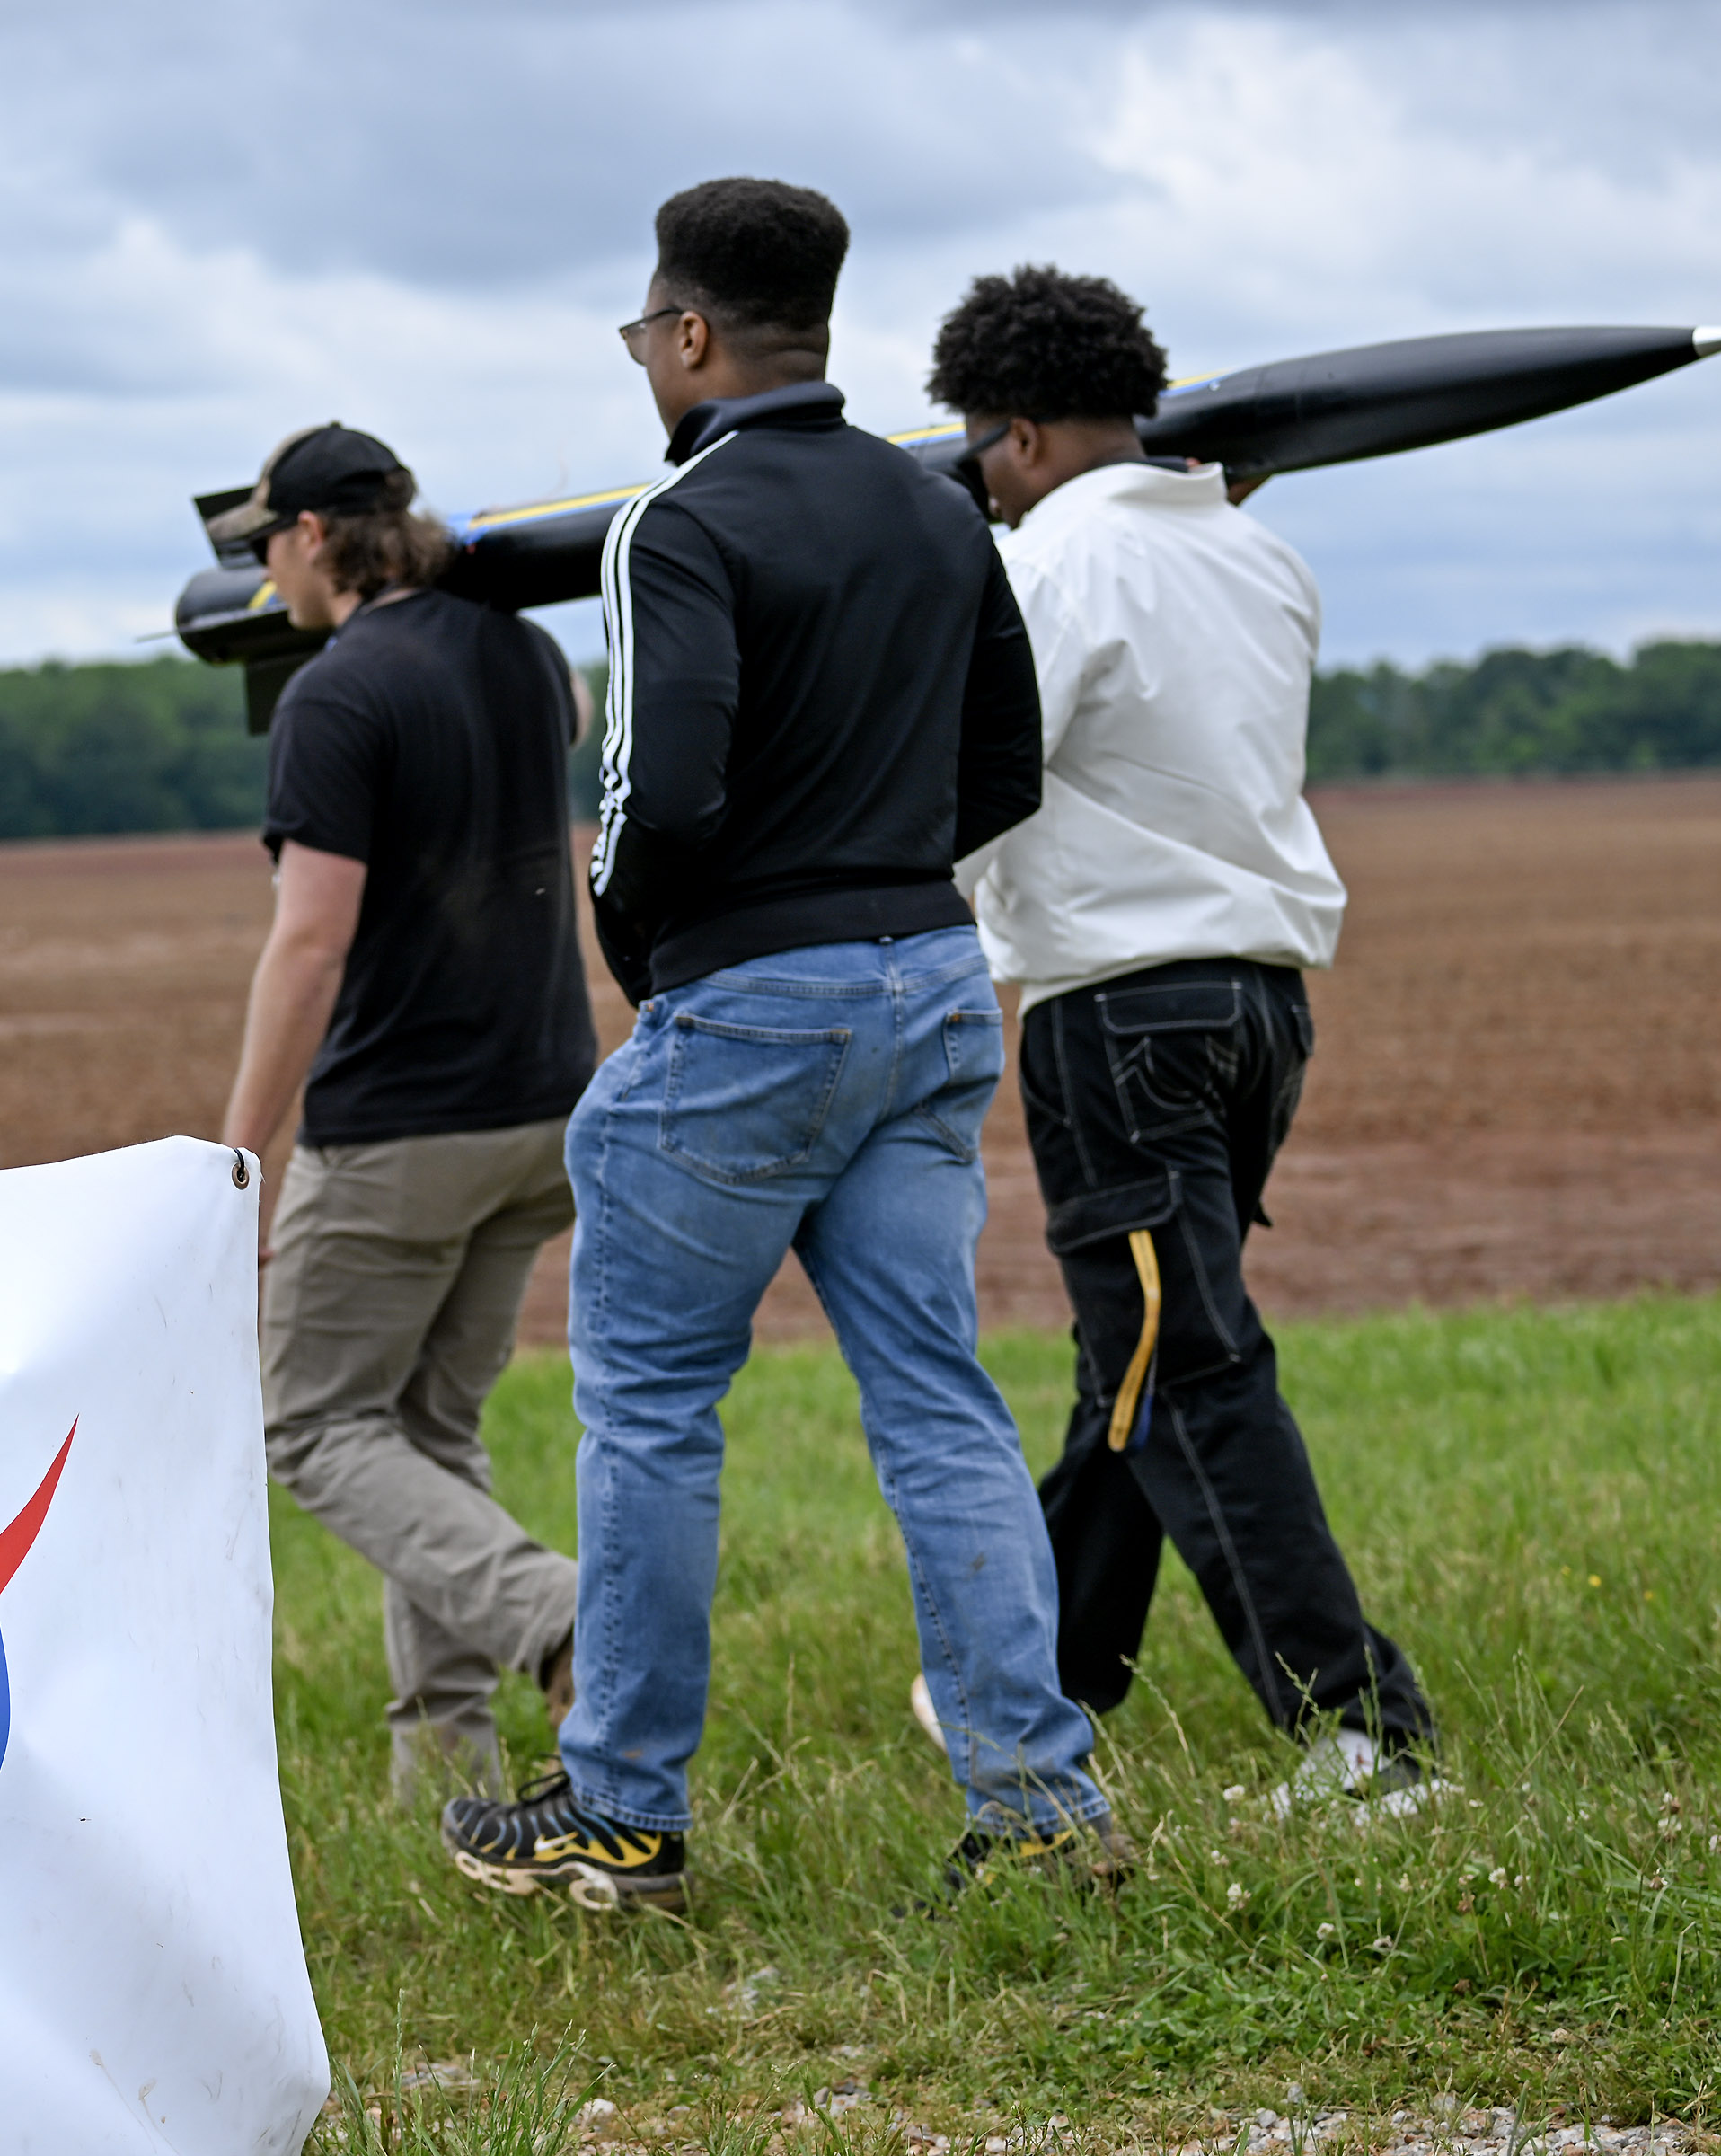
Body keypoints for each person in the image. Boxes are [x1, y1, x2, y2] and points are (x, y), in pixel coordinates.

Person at [437, 179, 1125, 1916]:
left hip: (749, 1001)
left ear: (688, 334)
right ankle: (1042, 1810)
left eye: (641, 334)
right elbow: (1006, 768)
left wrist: (656, 955)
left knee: (652, 1414)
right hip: (934, 983)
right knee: (942, 1403)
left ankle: (621, 1811)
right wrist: (885, 879)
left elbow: (656, 793)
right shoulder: (936, 506)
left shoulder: (671, 525)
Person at [925, 265, 1440, 1814]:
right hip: (1262, 1007)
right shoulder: (1260, 556)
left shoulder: (1048, 565)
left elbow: (976, 788)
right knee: (1135, 1358)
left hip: (1115, 1011)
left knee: (1189, 1366)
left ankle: (1361, 1734)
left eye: (979, 453)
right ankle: (1045, 1675)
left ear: (1017, 435)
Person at [211, 422, 604, 1802]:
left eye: (267, 544)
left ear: (314, 536)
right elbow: (563, 727)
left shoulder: (335, 695)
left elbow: (310, 941)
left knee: (312, 1425)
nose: (262, 572)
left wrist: (241, 1154)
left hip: (400, 1130)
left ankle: (561, 1616)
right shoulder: (527, 658)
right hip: (544, 1110)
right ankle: (443, 1766)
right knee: (429, 1431)